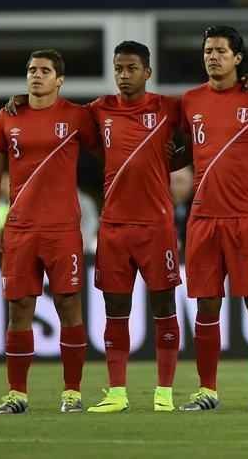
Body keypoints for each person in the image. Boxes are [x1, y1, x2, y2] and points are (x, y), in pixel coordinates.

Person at [178, 26, 248, 411]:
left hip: (246, 218)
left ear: (237, 58)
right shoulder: (190, 101)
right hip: (203, 218)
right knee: (207, 305)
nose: (213, 57)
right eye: (208, 50)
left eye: (221, 51)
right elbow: (181, 150)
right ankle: (207, 390)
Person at [0, 49, 97, 414]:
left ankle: (72, 392)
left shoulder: (77, 116)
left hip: (62, 228)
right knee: (19, 308)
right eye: (32, 69)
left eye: (45, 70)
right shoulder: (9, 115)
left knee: (68, 304)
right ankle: (17, 394)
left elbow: (109, 141)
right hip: (20, 228)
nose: (36, 75)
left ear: (59, 80)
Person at [79, 41, 186, 414]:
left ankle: (164, 393)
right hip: (114, 227)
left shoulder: (168, 108)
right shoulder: (99, 110)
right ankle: (117, 393)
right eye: (118, 69)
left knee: (164, 306)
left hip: (156, 225)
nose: (123, 76)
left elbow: (206, 127)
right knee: (115, 309)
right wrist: (21, 100)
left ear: (147, 72)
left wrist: (176, 157)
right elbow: (59, 118)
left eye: (131, 69)